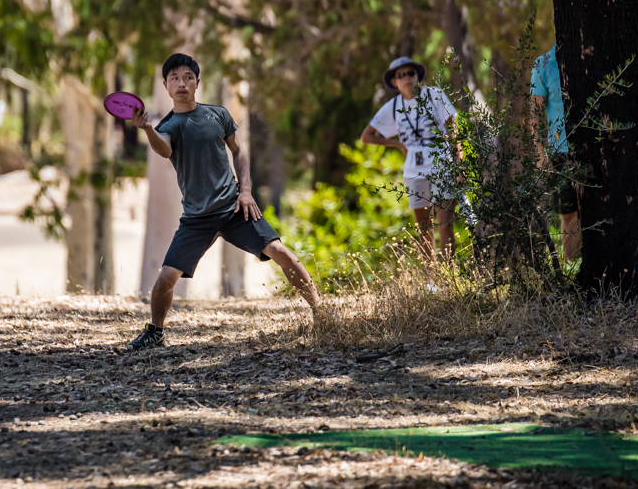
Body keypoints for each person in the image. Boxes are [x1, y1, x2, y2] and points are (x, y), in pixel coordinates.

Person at [126, 53, 320, 350]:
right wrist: (147, 128)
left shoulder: (218, 114)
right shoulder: (168, 126)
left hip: (234, 207)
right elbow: (164, 150)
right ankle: (156, 331)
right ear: (165, 85)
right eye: (175, 78)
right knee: (166, 277)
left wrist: (246, 190)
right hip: (197, 218)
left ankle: (321, 312)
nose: (182, 83)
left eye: (188, 77)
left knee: (280, 251)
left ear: (198, 83)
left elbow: (239, 152)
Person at [359, 56, 458, 261]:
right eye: (401, 75)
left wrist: (459, 165)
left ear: (417, 76)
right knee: (424, 228)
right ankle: (432, 283)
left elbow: (454, 132)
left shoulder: (434, 96)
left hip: (443, 166)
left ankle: (450, 278)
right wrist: (397, 144)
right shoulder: (393, 106)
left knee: (445, 223)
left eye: (410, 73)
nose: (407, 78)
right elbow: (366, 137)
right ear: (395, 82)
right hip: (415, 171)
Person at [530, 43, 581, 261]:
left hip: (593, 147)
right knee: (568, 213)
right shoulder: (542, 64)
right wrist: (541, 154)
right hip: (561, 151)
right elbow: (533, 114)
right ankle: (572, 270)